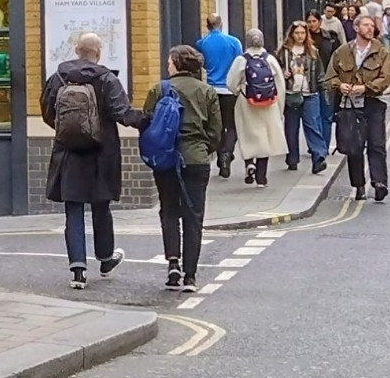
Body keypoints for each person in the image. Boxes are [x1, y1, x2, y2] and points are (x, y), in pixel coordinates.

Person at [40, 32, 134, 289]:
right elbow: (122, 113)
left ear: (76, 50)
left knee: (73, 209)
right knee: (101, 208)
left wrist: (70, 132)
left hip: (68, 152)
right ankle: (105, 259)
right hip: (102, 153)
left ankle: (78, 271)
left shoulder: (58, 78)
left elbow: (48, 113)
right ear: (98, 52)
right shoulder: (106, 79)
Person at [142, 44, 222, 292]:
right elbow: (216, 131)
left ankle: (173, 263)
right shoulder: (207, 91)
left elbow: (146, 122)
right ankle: (190, 276)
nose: (167, 65)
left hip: (166, 159)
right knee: (194, 216)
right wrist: (202, 149)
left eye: (169, 61)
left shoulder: (160, 89)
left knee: (169, 211)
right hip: (196, 160)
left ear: (177, 63)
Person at [326, 12, 390, 203]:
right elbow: (329, 77)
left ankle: (379, 183)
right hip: (349, 106)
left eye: (371, 26)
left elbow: (385, 77)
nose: (369, 28)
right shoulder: (342, 52)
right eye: (365, 25)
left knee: (377, 145)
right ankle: (358, 186)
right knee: (354, 148)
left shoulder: (381, 51)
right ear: (356, 28)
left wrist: (365, 88)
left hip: (372, 103)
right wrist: (340, 85)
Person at [227, 29, 290, 185]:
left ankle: (249, 164)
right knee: (264, 138)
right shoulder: (271, 60)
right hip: (269, 104)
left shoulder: (241, 60)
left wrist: (238, 91)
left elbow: (230, 83)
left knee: (247, 135)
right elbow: (280, 86)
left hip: (246, 102)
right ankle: (261, 177)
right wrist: (279, 108)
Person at [195, 15, 243, 179]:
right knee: (232, 125)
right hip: (230, 90)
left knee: (217, 125)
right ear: (221, 24)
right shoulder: (234, 42)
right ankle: (226, 153)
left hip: (212, 90)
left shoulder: (201, 44)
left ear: (207, 25)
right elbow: (240, 64)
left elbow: (200, 64)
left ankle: (220, 154)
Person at [279, 21, 328, 175]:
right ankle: (292, 159)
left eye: (303, 33)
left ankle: (318, 158)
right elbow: (275, 70)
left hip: (310, 93)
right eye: (297, 33)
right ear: (291, 34)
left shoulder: (313, 52)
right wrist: (282, 73)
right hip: (291, 94)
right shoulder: (284, 52)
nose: (300, 36)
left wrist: (324, 93)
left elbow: (320, 74)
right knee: (291, 129)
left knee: (312, 126)